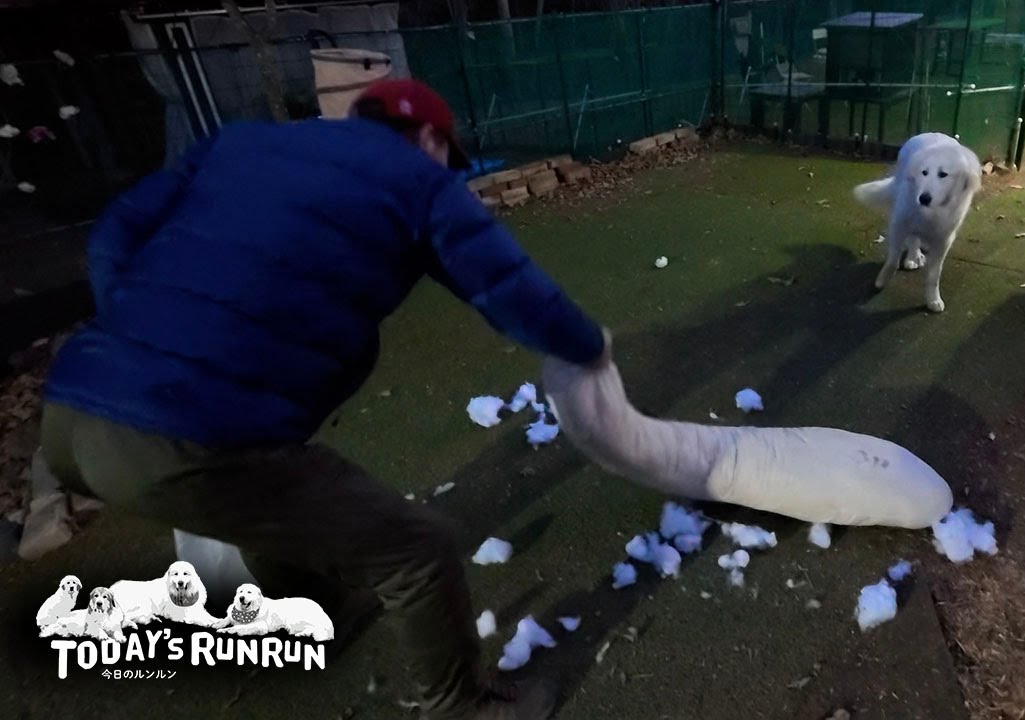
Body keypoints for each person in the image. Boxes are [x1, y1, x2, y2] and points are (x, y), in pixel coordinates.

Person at [38, 78, 606, 719]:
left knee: (271, 500)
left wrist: (135, 337)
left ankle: (320, 612)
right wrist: (591, 348)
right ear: (428, 138)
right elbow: (513, 290)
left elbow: (114, 233)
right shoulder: (418, 181)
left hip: (67, 415)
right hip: (187, 438)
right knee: (418, 551)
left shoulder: (239, 143)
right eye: (450, 156)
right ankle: (460, 707)